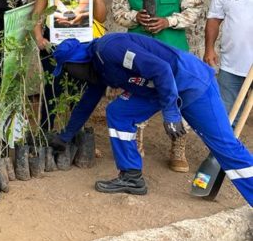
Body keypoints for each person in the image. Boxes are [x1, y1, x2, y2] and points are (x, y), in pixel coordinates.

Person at [49, 34, 253, 204]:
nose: (69, 76)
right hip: (156, 91)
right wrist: (66, 136)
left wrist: (171, 113)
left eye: (67, 70)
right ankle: (131, 177)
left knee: (224, 146)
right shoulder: (98, 67)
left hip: (191, 84)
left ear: (76, 61)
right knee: (118, 112)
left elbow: (161, 69)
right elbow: (87, 103)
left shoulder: (109, 50)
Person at [111, 0, 204, 172]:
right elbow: (118, 14)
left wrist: (168, 21)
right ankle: (137, 145)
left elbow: (195, 10)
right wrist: (135, 17)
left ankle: (178, 149)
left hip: (173, 52)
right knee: (138, 93)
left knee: (178, 98)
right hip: (140, 54)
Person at [31, 0, 106, 132]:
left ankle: (73, 133)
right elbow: (37, 14)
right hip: (53, 43)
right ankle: (45, 131)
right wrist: (39, 38)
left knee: (77, 90)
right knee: (51, 88)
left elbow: (101, 17)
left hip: (82, 44)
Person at [204, 0, 253, 112]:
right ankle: (229, 138)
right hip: (232, 64)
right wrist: (209, 49)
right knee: (227, 112)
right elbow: (213, 20)